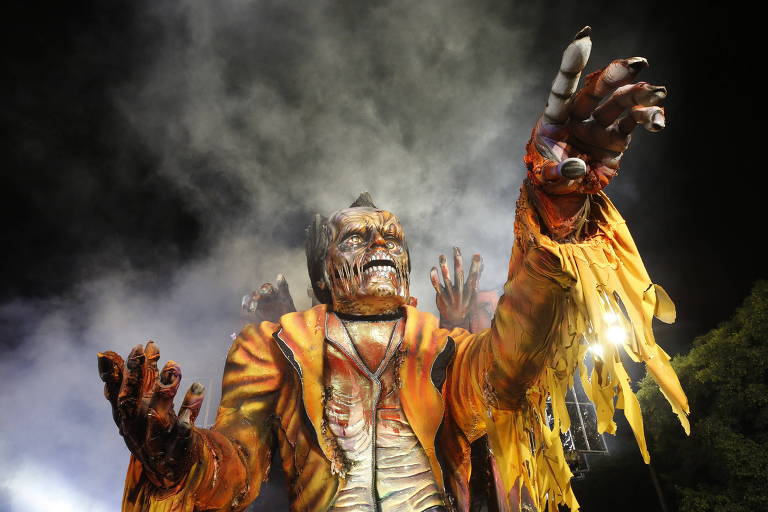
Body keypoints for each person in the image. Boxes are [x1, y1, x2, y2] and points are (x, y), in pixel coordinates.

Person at [98, 27, 688, 512]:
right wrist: (178, 453)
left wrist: (554, 209)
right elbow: (237, 467)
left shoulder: (446, 348)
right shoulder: (270, 347)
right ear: (326, 271)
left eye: (393, 236)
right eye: (356, 236)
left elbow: (511, 365)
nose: (381, 242)